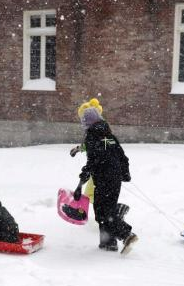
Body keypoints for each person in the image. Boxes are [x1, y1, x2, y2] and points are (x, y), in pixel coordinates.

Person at [73, 99, 136, 254]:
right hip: (114, 178)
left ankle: (126, 234)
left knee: (103, 213)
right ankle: (108, 243)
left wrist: (80, 184)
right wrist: (125, 173)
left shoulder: (92, 137)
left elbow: (92, 162)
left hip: (103, 179)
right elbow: (122, 155)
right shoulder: (109, 137)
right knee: (107, 210)